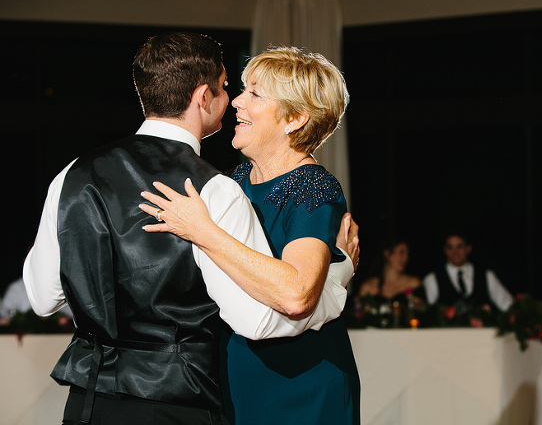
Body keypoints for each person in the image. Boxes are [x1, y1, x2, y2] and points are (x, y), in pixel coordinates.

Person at [23, 33, 358, 425]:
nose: (234, 100)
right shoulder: (219, 186)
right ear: (203, 97)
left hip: (100, 396)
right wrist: (337, 276)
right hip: (189, 392)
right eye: (233, 88)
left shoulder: (72, 176)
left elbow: (44, 299)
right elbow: (260, 319)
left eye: (253, 93)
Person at [141, 46, 361, 425]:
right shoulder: (233, 180)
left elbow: (296, 295)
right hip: (235, 372)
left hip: (302, 381)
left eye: (254, 94)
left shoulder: (312, 187)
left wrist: (203, 231)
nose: (237, 102)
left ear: (295, 118)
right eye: (242, 90)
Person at [421, 234, 514, 312]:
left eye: (459, 247)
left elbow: (507, 305)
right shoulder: (432, 279)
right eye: (450, 247)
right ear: (445, 250)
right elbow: (429, 313)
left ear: (468, 249)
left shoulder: (486, 275)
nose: (455, 252)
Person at [355, 240, 426, 304]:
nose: (406, 258)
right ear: (387, 253)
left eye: (407, 254)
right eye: (402, 252)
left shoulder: (413, 283)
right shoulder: (368, 287)